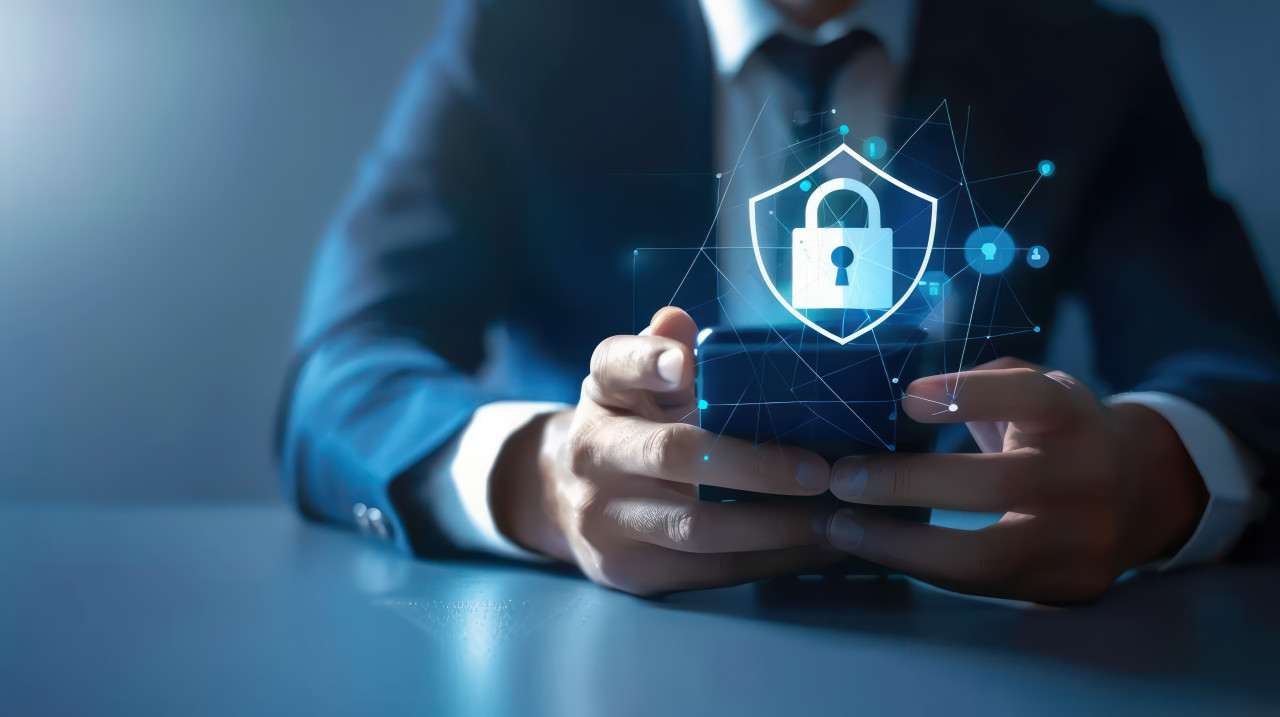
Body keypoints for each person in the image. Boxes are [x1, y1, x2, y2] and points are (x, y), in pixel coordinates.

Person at [276, 0, 1280, 601]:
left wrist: (1147, 477)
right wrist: (538, 481)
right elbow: (344, 372)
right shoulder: (517, 40)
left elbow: (1239, 372)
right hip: (611, 641)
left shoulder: (1085, 60)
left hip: (981, 637)